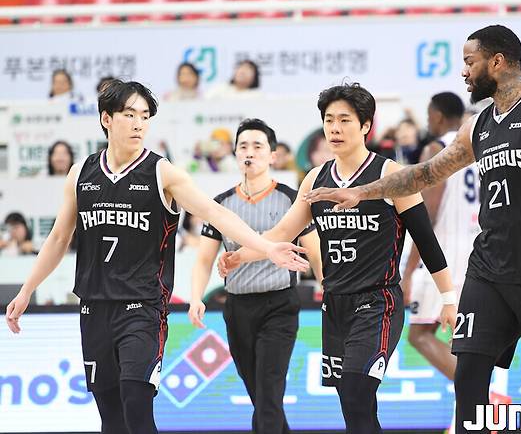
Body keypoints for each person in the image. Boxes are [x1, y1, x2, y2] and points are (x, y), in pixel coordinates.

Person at [305, 25, 521, 434]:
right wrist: (362, 191)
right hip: (489, 270)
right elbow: (426, 173)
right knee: (468, 378)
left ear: (496, 62)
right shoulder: (477, 125)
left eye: (469, 62)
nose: (464, 72)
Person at [4, 80, 307, 434]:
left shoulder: (162, 172)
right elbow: (58, 238)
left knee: (136, 404)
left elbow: (215, 213)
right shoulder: (80, 173)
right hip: (94, 308)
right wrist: (27, 290)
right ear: (106, 119)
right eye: (130, 115)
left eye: (145, 116)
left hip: (143, 308)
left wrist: (267, 248)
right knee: (111, 418)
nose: (139, 124)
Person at [219, 83, 456, 433]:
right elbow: (281, 232)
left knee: (358, 390)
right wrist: (241, 256)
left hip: (378, 302)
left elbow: (427, 240)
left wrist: (448, 298)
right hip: (335, 304)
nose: (335, 128)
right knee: (353, 405)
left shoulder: (390, 175)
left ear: (365, 125)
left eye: (344, 120)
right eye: (329, 120)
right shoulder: (316, 178)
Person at [188, 118, 323, 434]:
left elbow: (315, 252)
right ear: (235, 154)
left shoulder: (292, 199)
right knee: (261, 397)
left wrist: (326, 288)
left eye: (258, 146)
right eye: (243, 146)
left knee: (268, 393)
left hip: (279, 305)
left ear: (273, 155)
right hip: (237, 308)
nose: (250, 152)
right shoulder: (221, 205)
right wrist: (195, 298)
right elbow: (204, 259)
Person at [401, 91, 469, 382]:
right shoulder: (477, 147)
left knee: (419, 334)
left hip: (443, 259)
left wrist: (407, 272)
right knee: (465, 343)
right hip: (478, 256)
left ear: (438, 116)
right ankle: (474, 403)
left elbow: (426, 216)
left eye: (429, 116)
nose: (428, 122)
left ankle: (482, 395)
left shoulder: (436, 149)